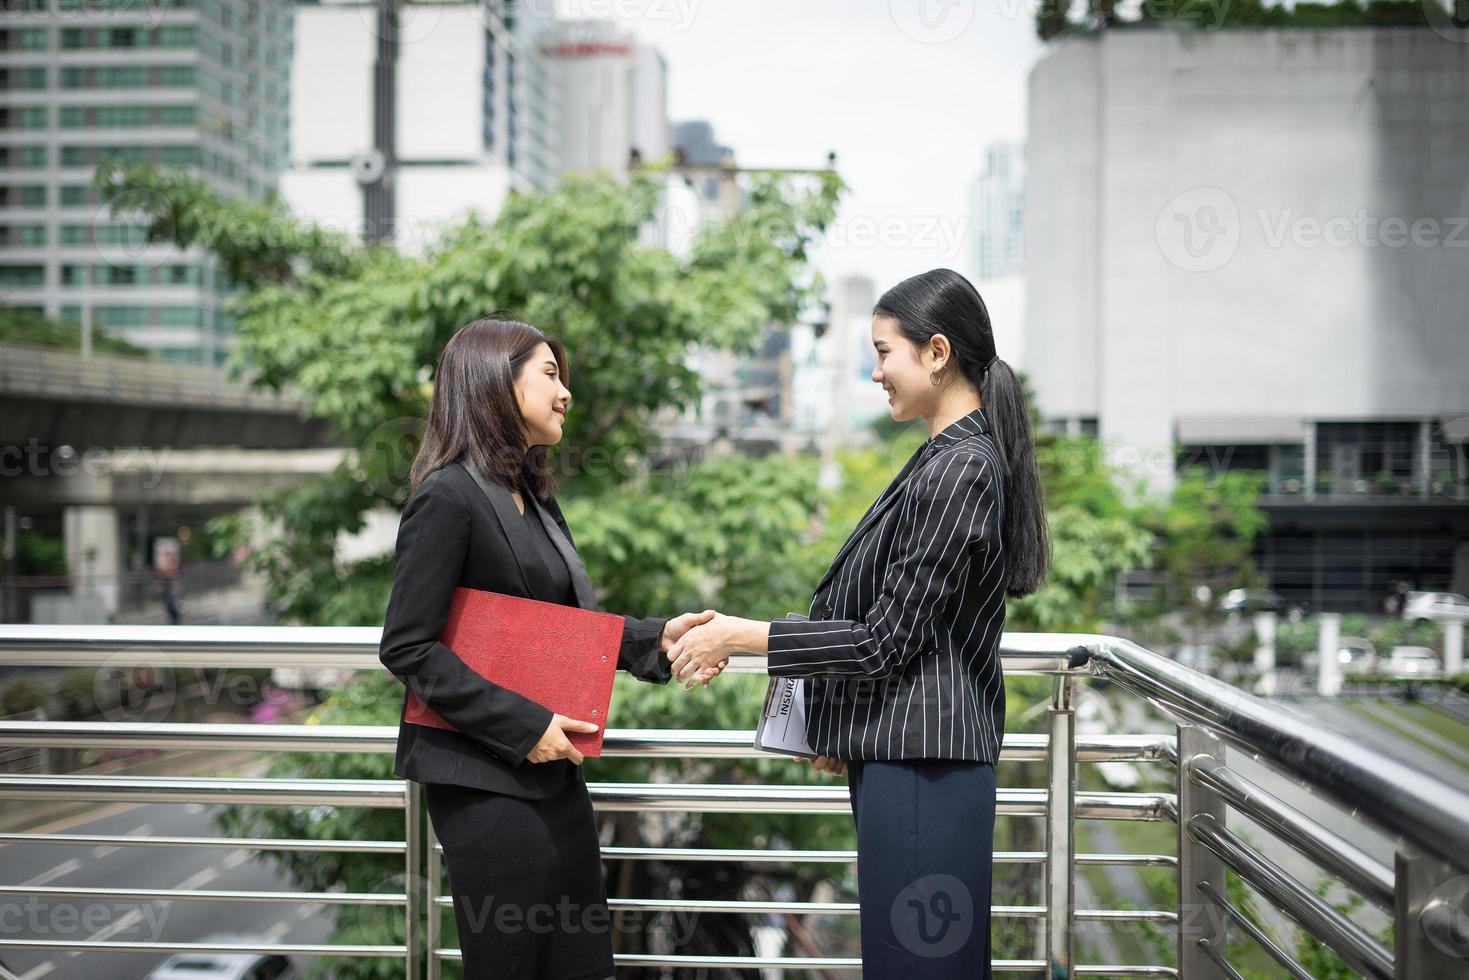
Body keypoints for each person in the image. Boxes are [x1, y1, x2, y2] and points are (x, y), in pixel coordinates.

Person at [668, 268, 1052, 978]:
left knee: (916, 967)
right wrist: (849, 727)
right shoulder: (945, 458)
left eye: (883, 352)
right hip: (908, 760)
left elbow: (885, 640)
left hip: (922, 769)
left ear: (936, 352)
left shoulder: (959, 467)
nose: (874, 372)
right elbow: (908, 636)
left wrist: (739, 635)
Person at [377, 317, 717, 980]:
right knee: (515, 964)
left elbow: (554, 630)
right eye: (550, 374)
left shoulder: (528, 495)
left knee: (579, 962)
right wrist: (524, 725)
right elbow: (408, 646)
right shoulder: (448, 496)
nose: (565, 393)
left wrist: (657, 637)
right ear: (495, 384)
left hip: (552, 775)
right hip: (485, 782)